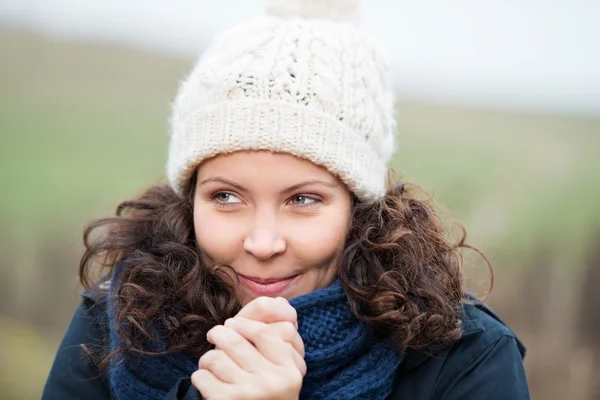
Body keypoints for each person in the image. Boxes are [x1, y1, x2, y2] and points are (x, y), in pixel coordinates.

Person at [42, 0, 530, 399]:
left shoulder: (462, 357)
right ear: (189, 200)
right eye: (227, 196)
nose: (263, 241)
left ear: (360, 209)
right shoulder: (120, 321)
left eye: (303, 200)